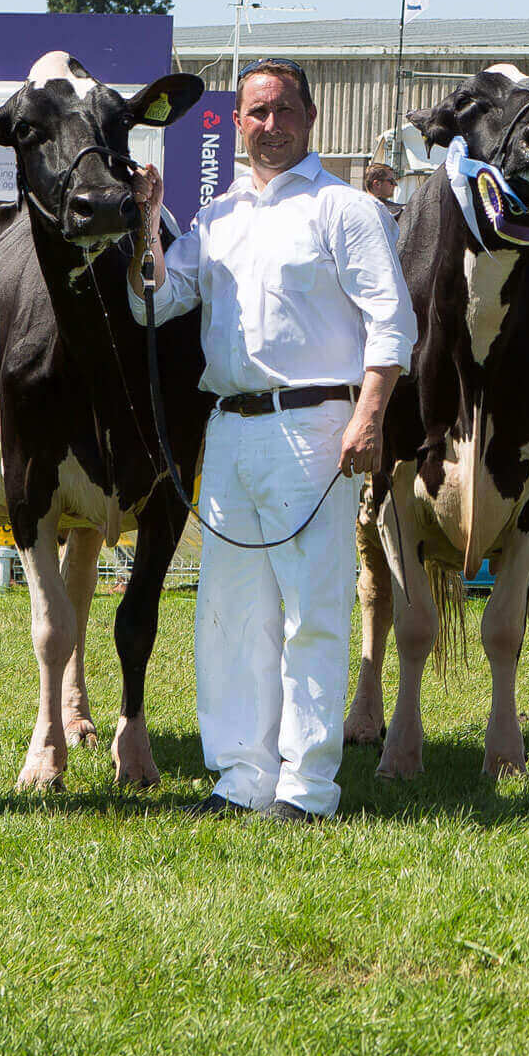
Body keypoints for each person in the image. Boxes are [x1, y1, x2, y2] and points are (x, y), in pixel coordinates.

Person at [128, 56, 413, 822]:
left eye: (283, 109)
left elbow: (391, 321)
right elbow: (156, 297)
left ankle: (306, 785)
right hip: (228, 427)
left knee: (311, 607)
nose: (269, 124)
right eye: (255, 112)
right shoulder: (219, 215)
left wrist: (370, 412)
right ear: (238, 122)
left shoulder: (345, 209)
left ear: (310, 117)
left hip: (316, 423)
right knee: (229, 610)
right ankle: (241, 775)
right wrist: (147, 222)